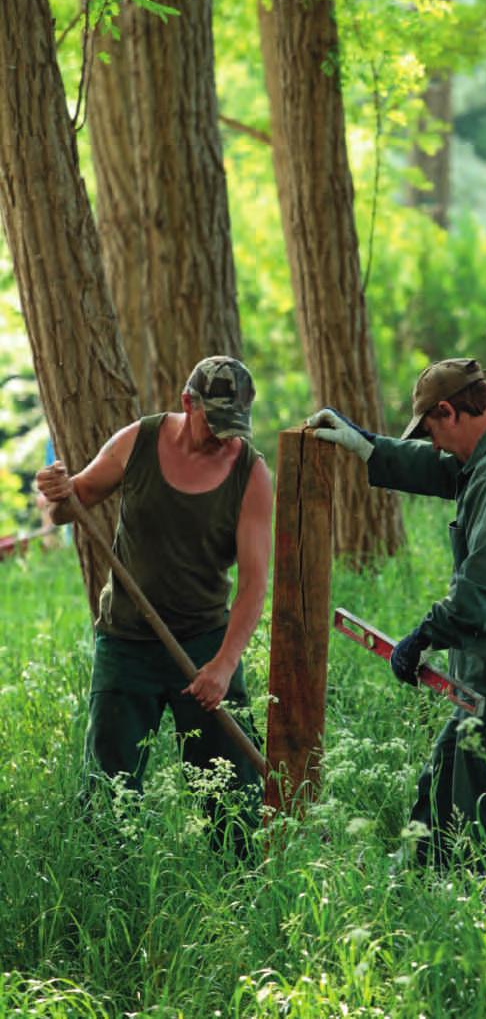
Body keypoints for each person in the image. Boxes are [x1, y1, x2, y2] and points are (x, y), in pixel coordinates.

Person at [308, 358, 486, 867]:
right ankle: (419, 886)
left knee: (479, 824)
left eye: (433, 430)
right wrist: (368, 445)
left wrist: (422, 637)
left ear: (449, 410)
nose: (434, 444)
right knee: (443, 790)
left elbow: (481, 592)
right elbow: (451, 469)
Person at [36, 356, 273, 843]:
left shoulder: (250, 473)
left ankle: (246, 891)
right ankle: (107, 893)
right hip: (126, 643)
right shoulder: (137, 441)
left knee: (235, 802)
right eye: (216, 420)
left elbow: (252, 583)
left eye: (236, 423)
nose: (226, 436)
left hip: (204, 646)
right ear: (188, 402)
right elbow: (68, 507)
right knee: (108, 793)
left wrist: (225, 665)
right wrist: (56, 492)